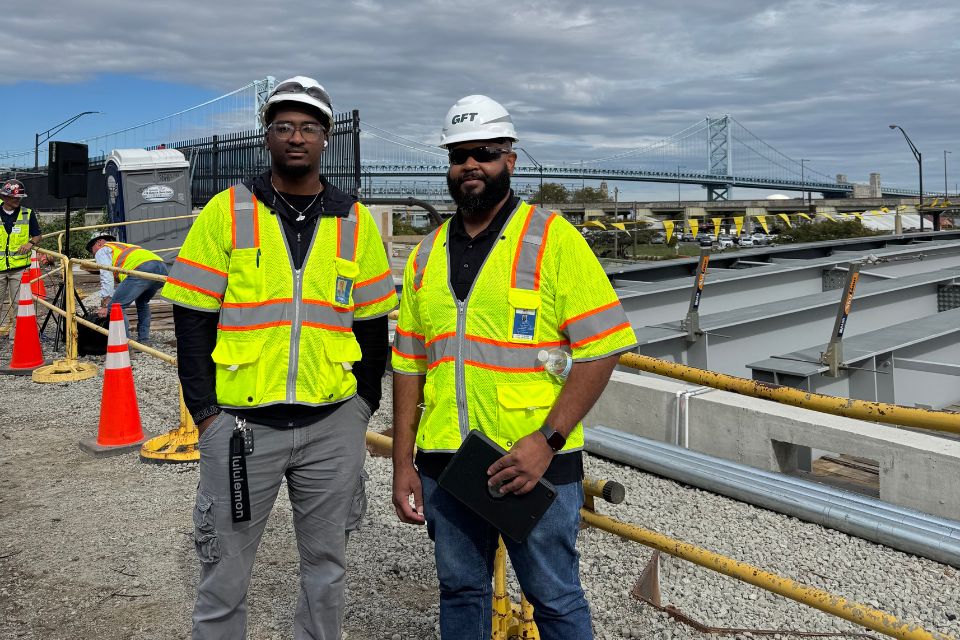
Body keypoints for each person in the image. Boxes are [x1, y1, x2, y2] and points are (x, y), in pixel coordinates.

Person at [391, 95, 637, 640]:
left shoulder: (553, 240)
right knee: (460, 592)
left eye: (484, 153)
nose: (470, 166)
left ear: (511, 159)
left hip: (532, 462)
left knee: (554, 600)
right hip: (446, 462)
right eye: (459, 156)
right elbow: (408, 364)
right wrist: (402, 462)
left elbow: (603, 346)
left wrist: (546, 441)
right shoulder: (425, 254)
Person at [161, 76, 397, 640]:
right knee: (223, 577)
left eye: (309, 127)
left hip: (332, 425)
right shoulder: (226, 211)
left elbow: (371, 325)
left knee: (327, 575)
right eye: (285, 126)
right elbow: (192, 317)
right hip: (241, 426)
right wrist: (207, 415)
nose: (297, 137)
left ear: (326, 138)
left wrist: (363, 406)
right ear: (267, 136)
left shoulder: (355, 221)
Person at [86, 233, 169, 344]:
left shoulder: (102, 250)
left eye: (92, 251)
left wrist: (106, 300)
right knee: (142, 303)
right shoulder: (122, 246)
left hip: (142, 268)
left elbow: (106, 274)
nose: (93, 254)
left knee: (116, 307)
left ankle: (125, 346)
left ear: (99, 242)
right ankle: (144, 341)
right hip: (161, 267)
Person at [0, 179, 42, 337]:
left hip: (19, 269)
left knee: (20, 303)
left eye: (19, 197)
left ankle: (18, 335)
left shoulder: (27, 213)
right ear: (4, 197)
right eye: (14, 197)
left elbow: (37, 235)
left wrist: (31, 243)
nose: (17, 200)